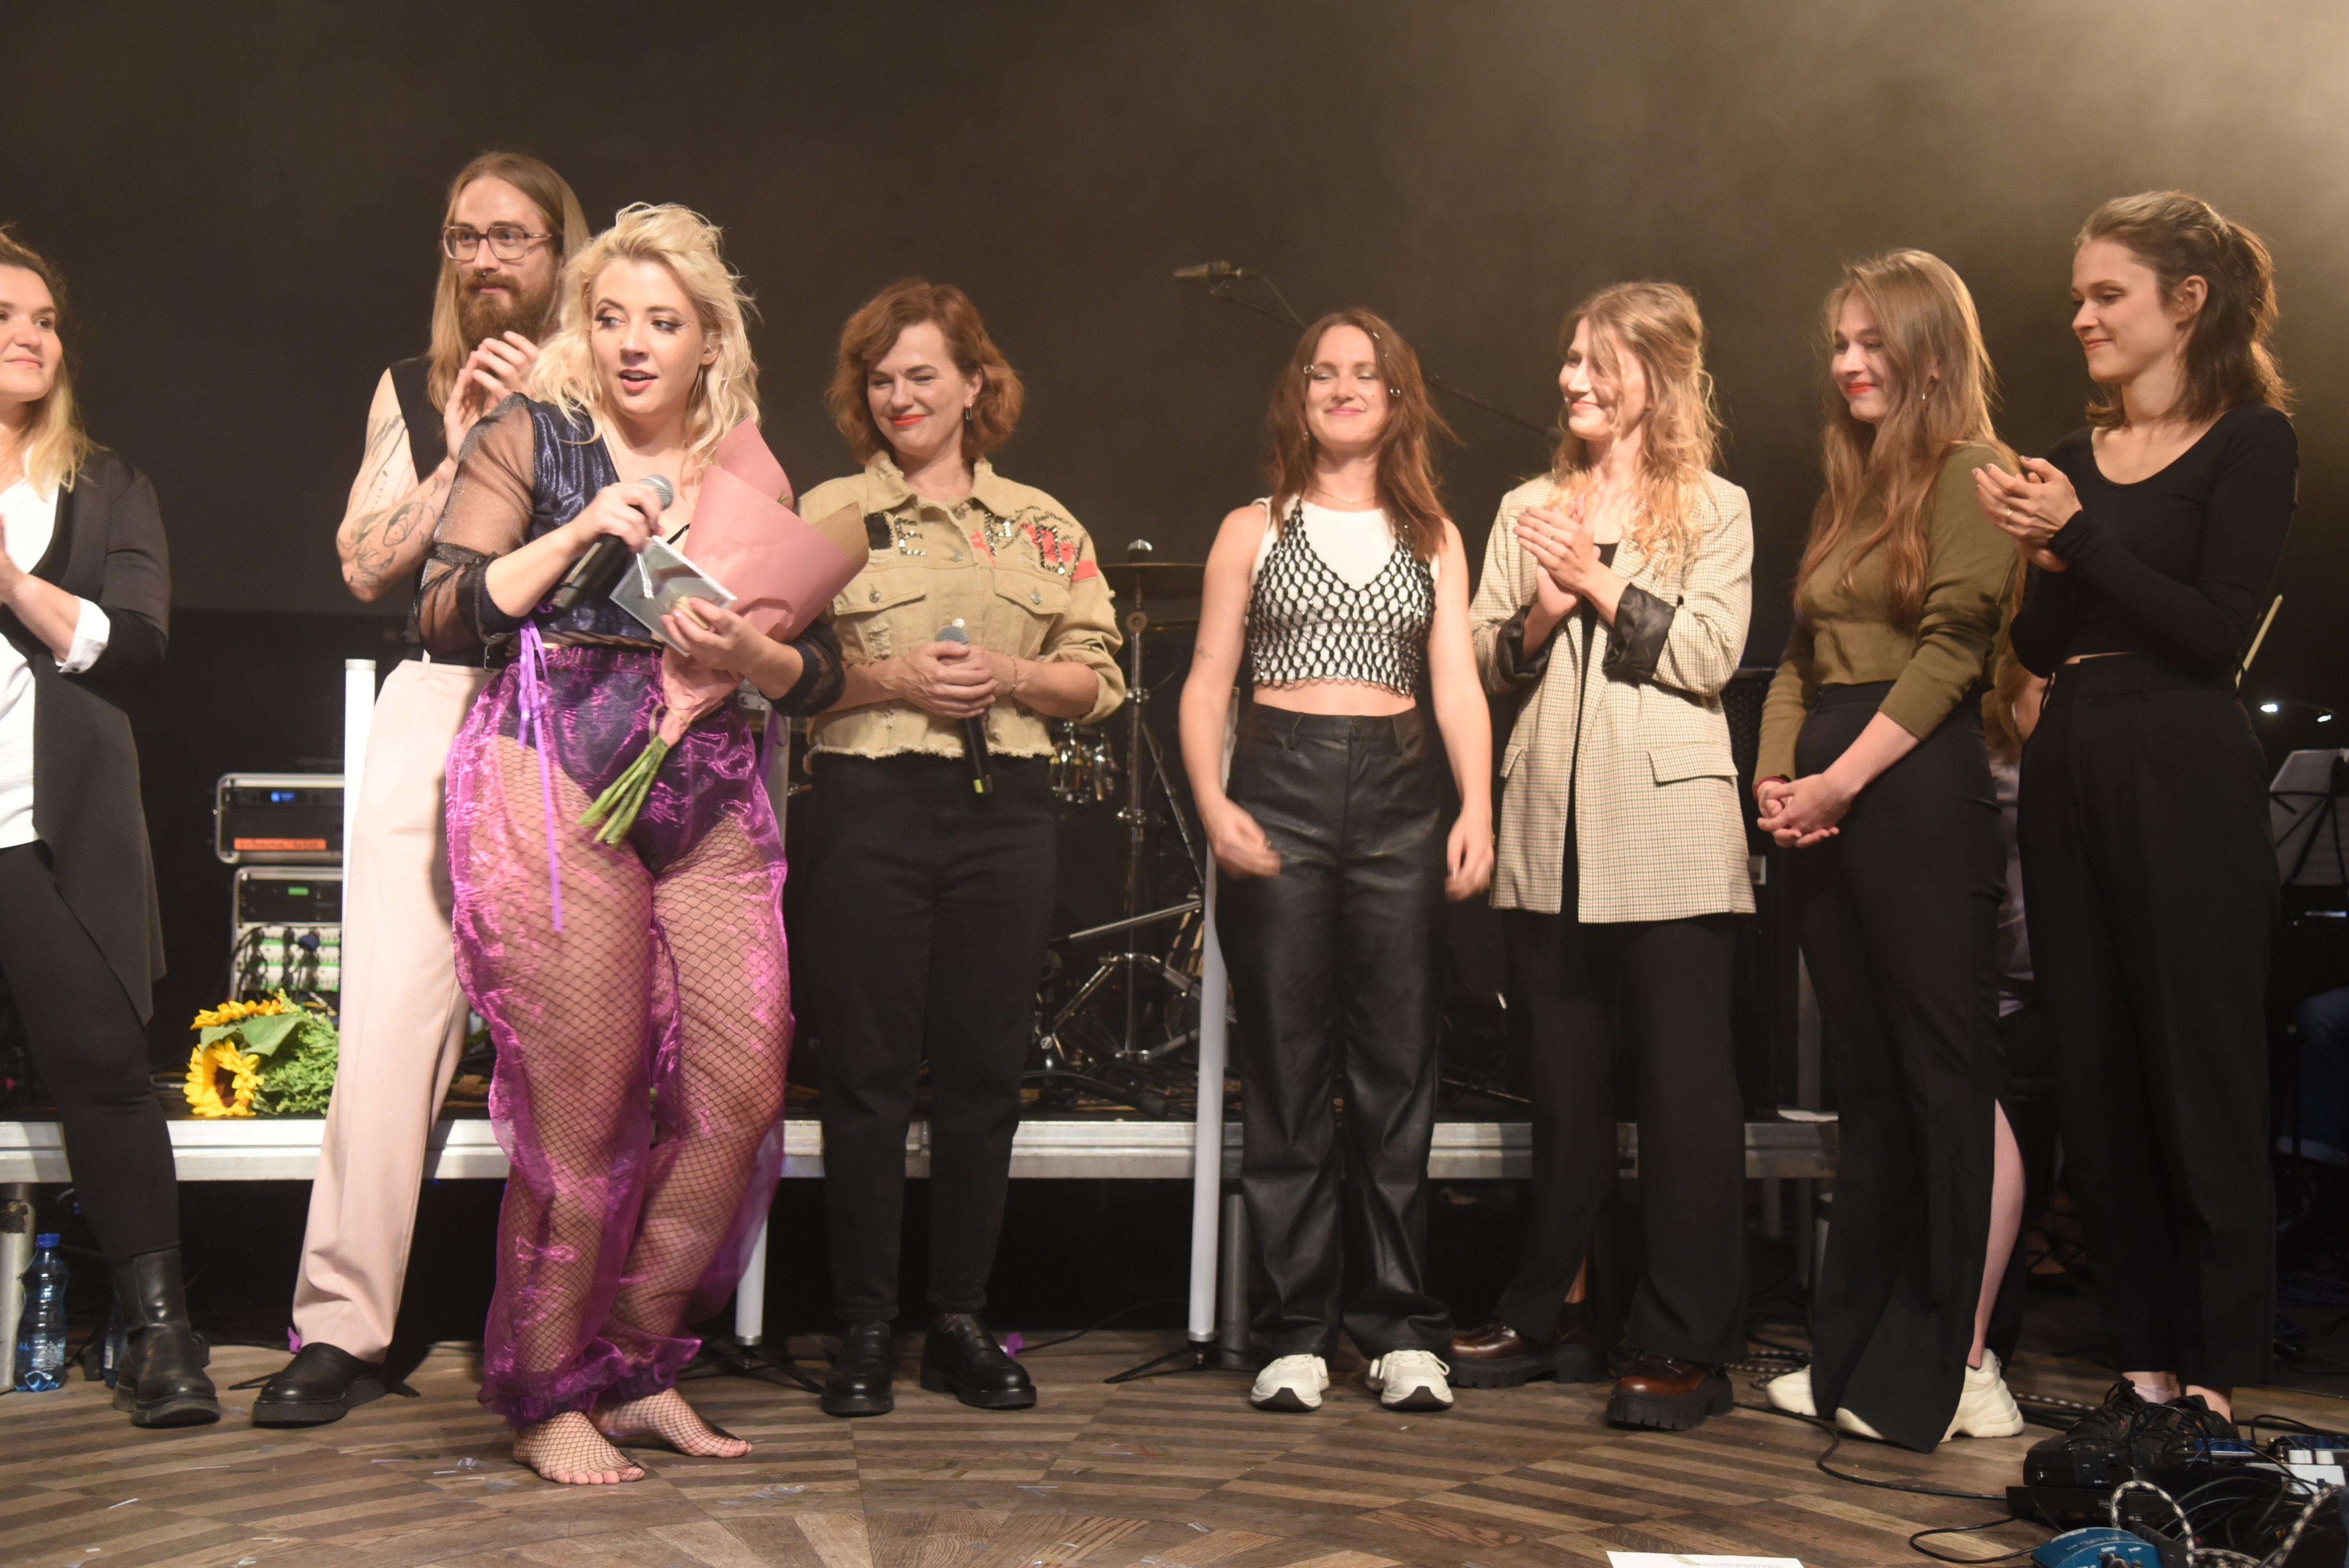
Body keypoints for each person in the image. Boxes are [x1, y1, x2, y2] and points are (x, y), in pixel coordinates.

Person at [415, 203, 843, 1484]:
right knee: (584, 1107)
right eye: (610, 319)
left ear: (711, 341)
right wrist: (581, 529)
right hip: (551, 766)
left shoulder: (751, 470)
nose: (634, 343)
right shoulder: (532, 433)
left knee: (739, 1095)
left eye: (663, 321)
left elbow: (821, 672)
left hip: (705, 783)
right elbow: (443, 613)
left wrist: (749, 652)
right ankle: (549, 1389)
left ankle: (637, 1365)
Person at [258, 150, 589, 1428]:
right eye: (465, 236)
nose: (485, 257)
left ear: (561, 250)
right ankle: (342, 1329)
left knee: (585, 1039)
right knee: (390, 1020)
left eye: (512, 235)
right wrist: (460, 443)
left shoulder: (615, 377)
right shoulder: (416, 386)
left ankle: (581, 1339)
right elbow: (362, 563)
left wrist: (546, 414)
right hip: (443, 695)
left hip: (578, 712)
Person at [1979, 191, 2297, 1439]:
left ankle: (2213, 1382)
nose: (2083, 316)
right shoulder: (2072, 451)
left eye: (2107, 294)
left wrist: (2083, 537)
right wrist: (2049, 561)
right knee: (2099, 1077)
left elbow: (2217, 632)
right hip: (2074, 752)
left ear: (2188, 300)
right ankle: (2147, 1369)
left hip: (2184, 757)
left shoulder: (2252, 440)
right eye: (2078, 296)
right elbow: (2040, 645)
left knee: (2200, 1074)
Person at [794, 280, 1122, 1419]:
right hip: (866, 810)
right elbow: (780, 674)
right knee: (866, 1077)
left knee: (984, 1078)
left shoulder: (1044, 523)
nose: (900, 396)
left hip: (1005, 816)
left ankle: (961, 1322)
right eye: (880, 379)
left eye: (923, 374)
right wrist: (888, 678)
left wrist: (1014, 673)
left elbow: (1098, 680)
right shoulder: (827, 513)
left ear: (975, 383)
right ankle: (864, 1326)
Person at [1452, 283, 1755, 1432]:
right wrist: (1538, 609)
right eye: (1569, 359)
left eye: (1597, 362)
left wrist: (1593, 577)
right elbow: (1482, 660)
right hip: (1550, 832)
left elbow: (1710, 656)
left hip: (1671, 833)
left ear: (1658, 376)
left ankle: (1685, 1340)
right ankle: (1556, 1313)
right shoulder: (1526, 506)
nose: (1571, 379)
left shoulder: (1715, 507)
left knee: (1684, 1098)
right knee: (1562, 1092)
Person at [1179, 308, 1493, 1415]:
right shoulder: (1250, 528)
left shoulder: (1434, 535)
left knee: (1398, 1068)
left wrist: (1476, 806)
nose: (1345, 388)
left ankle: (1401, 1330)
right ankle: (1295, 1332)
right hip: (1283, 787)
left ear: (1398, 399)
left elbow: (1457, 682)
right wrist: (1215, 801)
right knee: (1287, 1065)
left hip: (1404, 794)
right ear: (1300, 392)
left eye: (1366, 374)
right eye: (1326, 373)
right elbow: (1206, 680)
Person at [1753, 250, 2026, 1451]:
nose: (1850, 363)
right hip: (1827, 795)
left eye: (1873, 342)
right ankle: (1852, 1352)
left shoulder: (1976, 473)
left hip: (1911, 791)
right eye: (1841, 343)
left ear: (1929, 351)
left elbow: (1956, 650)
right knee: (1865, 1087)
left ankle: (1944, 1365)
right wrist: (1775, 777)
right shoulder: (1852, 487)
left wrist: (1839, 782)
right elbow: (1799, 658)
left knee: (1939, 1079)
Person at [0, 230, 199, 1426]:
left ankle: (160, 1332)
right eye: (3, 314)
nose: (30, 334)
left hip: (40, 829)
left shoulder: (107, 484)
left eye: (44, 318)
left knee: (106, 1073)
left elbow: (139, 644)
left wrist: (13, 581)